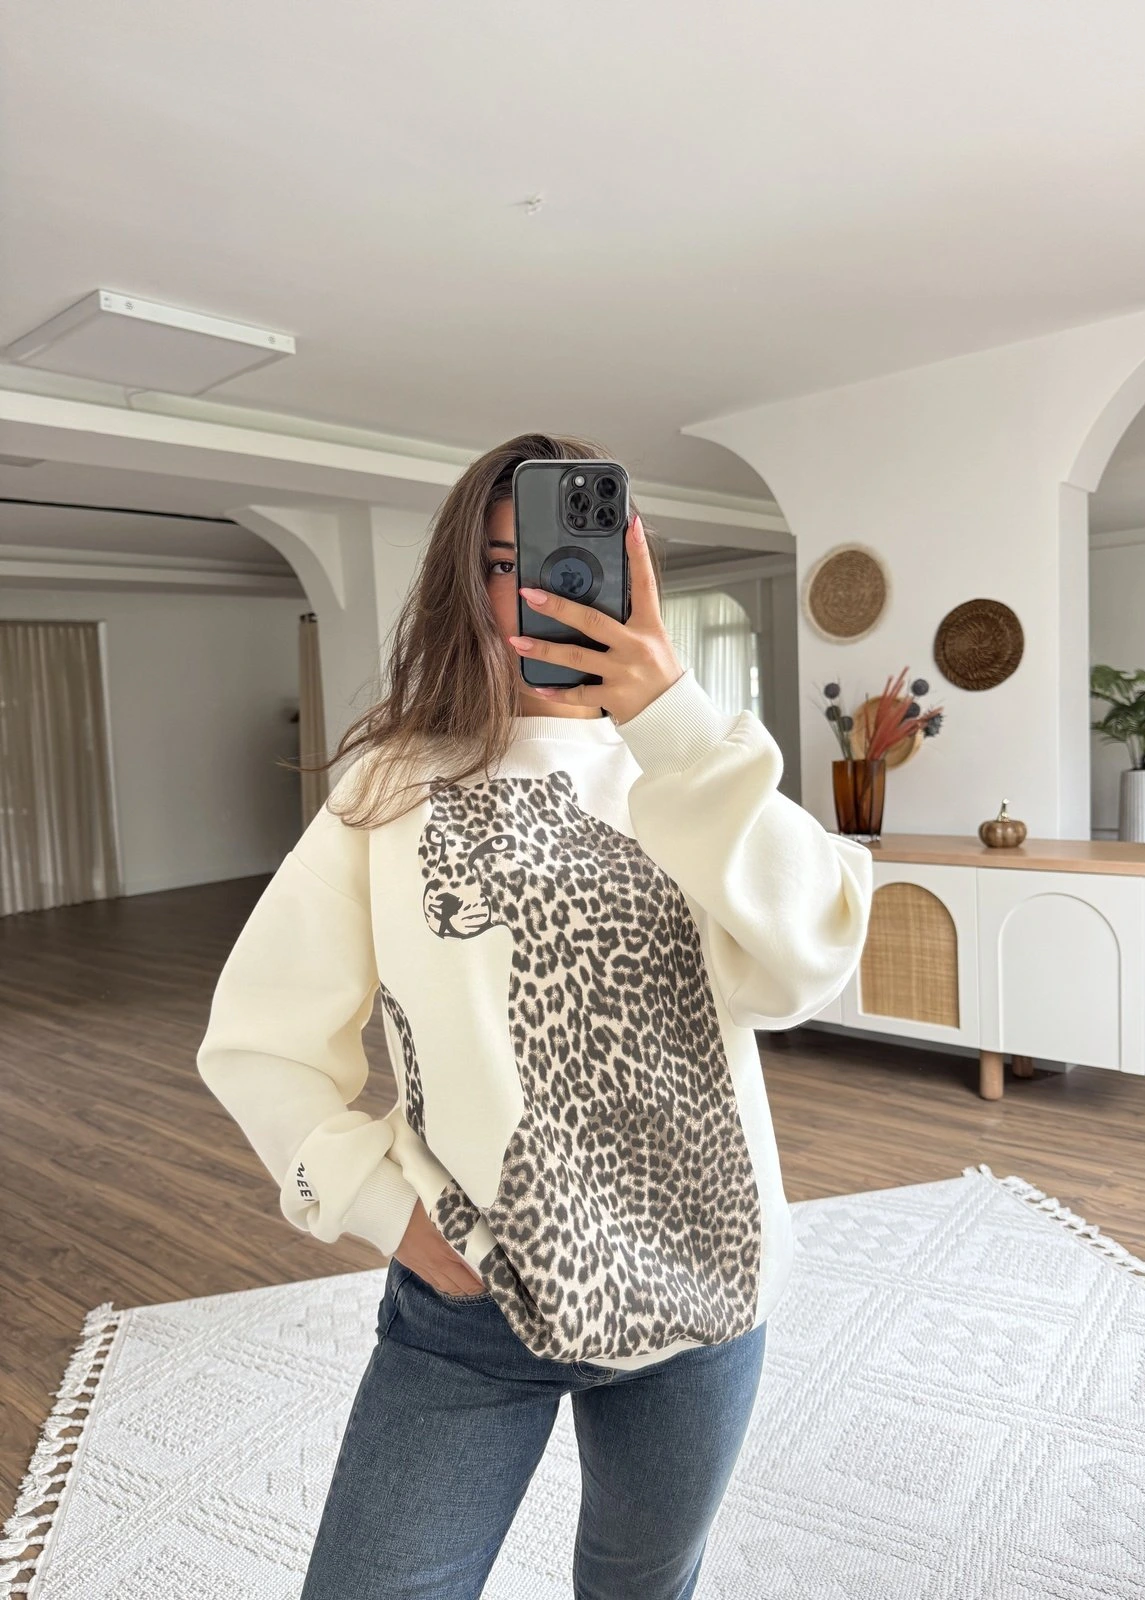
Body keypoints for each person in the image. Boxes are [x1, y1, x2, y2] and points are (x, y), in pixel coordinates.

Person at [195, 431, 873, 1600]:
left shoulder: (695, 762)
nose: (541, 593)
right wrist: (391, 1215)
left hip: (703, 1294)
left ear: (632, 571)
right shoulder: (392, 783)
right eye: (505, 564)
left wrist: (672, 719)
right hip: (474, 1303)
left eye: (573, 562)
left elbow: (809, 961)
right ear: (464, 582)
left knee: (640, 1586)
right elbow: (261, 1040)